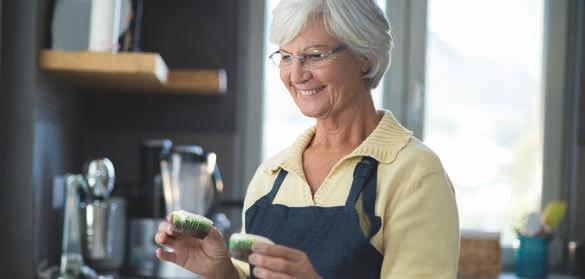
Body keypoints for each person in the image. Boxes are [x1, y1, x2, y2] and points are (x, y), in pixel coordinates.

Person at [154, 0, 459, 278]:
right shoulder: (271, 177)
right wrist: (223, 271)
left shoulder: (415, 174)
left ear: (364, 57)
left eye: (314, 55)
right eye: (286, 56)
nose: (297, 74)